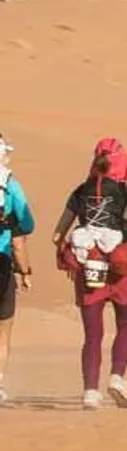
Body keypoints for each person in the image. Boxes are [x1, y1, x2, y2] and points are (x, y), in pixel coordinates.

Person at [52, 139, 127, 409]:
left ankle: (90, 391)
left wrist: (70, 252)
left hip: (89, 264)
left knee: (93, 333)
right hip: (121, 266)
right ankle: (117, 376)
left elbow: (57, 233)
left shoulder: (81, 190)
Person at [0, 134, 39, 405]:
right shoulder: (10, 186)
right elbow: (23, 229)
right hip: (2, 264)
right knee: (2, 330)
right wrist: (25, 272)